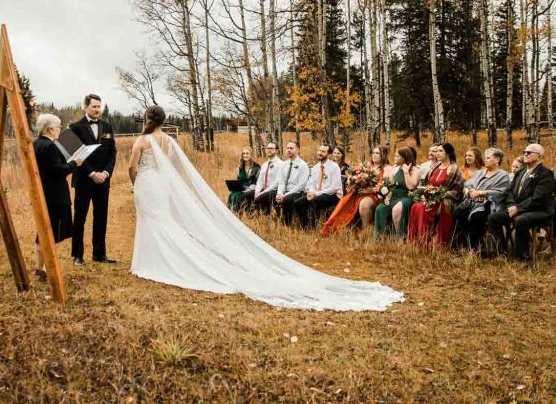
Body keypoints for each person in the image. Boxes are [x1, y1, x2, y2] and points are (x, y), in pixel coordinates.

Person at [127, 105, 404, 311]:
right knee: (161, 220)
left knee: (152, 222)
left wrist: (135, 182)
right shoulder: (169, 141)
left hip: (147, 183)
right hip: (162, 184)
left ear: (148, 119)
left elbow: (131, 166)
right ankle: (159, 258)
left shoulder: (142, 140)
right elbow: (175, 167)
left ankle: (154, 261)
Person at [31, 114, 85, 282]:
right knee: (52, 234)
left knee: (41, 233)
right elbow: (58, 171)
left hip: (42, 194)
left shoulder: (35, 144)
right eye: (59, 127)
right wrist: (74, 163)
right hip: (55, 196)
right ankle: (48, 270)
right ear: (50, 129)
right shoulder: (51, 146)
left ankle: (39, 268)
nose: (60, 130)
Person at [69, 94, 117, 266]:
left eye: (99, 106)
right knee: (80, 217)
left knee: (101, 216)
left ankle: (99, 254)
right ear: (85, 107)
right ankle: (77, 255)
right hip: (84, 179)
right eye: (94, 106)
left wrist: (106, 172)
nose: (97, 110)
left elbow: (112, 153)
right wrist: (91, 174)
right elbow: (75, 154)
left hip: (103, 180)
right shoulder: (75, 127)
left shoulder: (107, 126)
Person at [487, 143, 556, 261]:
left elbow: (538, 198)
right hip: (518, 208)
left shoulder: (546, 174)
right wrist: (512, 206)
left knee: (521, 220)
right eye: (524, 152)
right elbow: (509, 192)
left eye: (529, 152)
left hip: (539, 210)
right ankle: (501, 252)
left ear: (539, 157)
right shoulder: (520, 172)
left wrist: (518, 208)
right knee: (493, 218)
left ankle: (522, 256)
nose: (525, 154)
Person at [406, 142, 465, 249]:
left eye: (440, 151)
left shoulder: (454, 168)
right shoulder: (435, 167)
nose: (437, 153)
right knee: (416, 206)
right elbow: (426, 184)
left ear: (447, 153)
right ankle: (418, 241)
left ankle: (432, 243)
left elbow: (458, 191)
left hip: (447, 199)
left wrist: (439, 194)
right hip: (431, 197)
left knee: (425, 207)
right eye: (436, 151)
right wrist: (424, 193)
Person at [452, 147, 511, 251]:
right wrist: (469, 192)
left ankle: (474, 247)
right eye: (485, 158)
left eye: (488, 158)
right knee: (458, 213)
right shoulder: (480, 172)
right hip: (471, 202)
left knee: (477, 217)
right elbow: (467, 185)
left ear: (497, 159)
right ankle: (465, 244)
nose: (485, 160)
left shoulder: (503, 175)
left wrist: (482, 193)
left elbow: (501, 193)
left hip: (489, 205)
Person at [321, 146, 387, 236]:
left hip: (374, 195)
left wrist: (370, 190)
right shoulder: (366, 165)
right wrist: (354, 182)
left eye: (377, 153)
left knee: (364, 204)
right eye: (373, 153)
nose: (374, 155)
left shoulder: (386, 168)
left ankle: (366, 231)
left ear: (383, 155)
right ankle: (336, 227)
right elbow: (353, 176)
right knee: (345, 201)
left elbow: (383, 186)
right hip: (359, 192)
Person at [373, 147, 420, 239]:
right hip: (393, 196)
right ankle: (381, 236)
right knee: (380, 208)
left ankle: (400, 236)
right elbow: (389, 186)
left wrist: (406, 172)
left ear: (404, 157)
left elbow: (411, 187)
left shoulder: (415, 170)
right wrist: (386, 197)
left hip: (407, 197)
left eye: (397, 156)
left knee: (397, 209)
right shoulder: (395, 169)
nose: (394, 158)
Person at [293, 144, 343, 228]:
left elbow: (334, 188)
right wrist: (311, 191)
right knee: (298, 203)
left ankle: (312, 227)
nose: (320, 153)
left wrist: (316, 194)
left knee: (315, 201)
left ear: (329, 154)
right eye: (319, 150)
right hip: (317, 194)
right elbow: (311, 183)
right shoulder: (315, 167)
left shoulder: (334, 167)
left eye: (323, 151)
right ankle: (305, 227)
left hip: (333, 195)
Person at [274, 141, 310, 226]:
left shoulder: (302, 165)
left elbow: (301, 185)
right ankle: (278, 221)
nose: (289, 150)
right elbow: (281, 182)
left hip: (297, 192)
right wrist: (279, 193)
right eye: (287, 148)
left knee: (286, 200)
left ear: (297, 150)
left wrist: (285, 195)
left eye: (291, 148)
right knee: (273, 197)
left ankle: (287, 224)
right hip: (285, 191)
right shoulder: (284, 164)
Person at [251, 142, 282, 215]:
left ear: (277, 151)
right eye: (268, 148)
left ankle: (267, 215)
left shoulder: (281, 164)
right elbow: (260, 180)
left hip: (274, 190)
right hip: (264, 190)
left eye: (271, 148)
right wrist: (257, 191)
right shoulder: (264, 165)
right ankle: (250, 214)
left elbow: (277, 182)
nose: (269, 150)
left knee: (262, 196)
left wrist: (263, 192)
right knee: (247, 195)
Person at [227, 147, 260, 214]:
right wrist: (236, 186)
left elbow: (258, 182)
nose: (245, 155)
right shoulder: (240, 167)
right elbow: (238, 180)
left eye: (247, 153)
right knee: (232, 194)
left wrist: (249, 189)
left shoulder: (256, 167)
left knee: (238, 195)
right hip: (241, 188)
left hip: (251, 188)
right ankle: (231, 214)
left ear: (251, 155)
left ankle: (238, 213)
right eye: (243, 153)